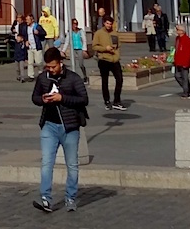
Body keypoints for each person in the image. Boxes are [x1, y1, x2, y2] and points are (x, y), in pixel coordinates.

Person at [32, 46, 88, 213]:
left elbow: (83, 99)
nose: (50, 69)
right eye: (48, 66)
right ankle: (46, 199)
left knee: (72, 164)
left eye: (53, 66)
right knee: (46, 163)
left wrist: (62, 98)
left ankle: (70, 198)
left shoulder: (73, 78)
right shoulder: (43, 78)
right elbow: (34, 97)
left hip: (70, 127)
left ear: (61, 63)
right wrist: (42, 99)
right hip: (49, 125)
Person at [91, 16, 126, 110]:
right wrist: (104, 49)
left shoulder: (115, 33)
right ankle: (107, 101)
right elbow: (94, 46)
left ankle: (117, 100)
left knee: (119, 79)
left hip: (114, 59)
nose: (109, 25)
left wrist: (117, 55)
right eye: (107, 23)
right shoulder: (98, 33)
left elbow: (118, 45)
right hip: (103, 60)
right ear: (104, 23)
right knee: (105, 81)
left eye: (110, 24)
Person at [173, 23, 190, 98]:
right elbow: (176, 49)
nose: (176, 31)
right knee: (177, 76)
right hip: (177, 61)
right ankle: (189, 88)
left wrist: (187, 63)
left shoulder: (187, 40)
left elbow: (189, 52)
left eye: (178, 30)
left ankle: (186, 93)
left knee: (185, 78)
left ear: (182, 31)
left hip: (184, 62)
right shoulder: (177, 39)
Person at [63, 18, 89, 82]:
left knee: (81, 64)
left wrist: (84, 49)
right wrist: (63, 50)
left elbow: (84, 40)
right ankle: (73, 77)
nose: (75, 25)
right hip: (73, 49)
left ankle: (84, 76)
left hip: (79, 48)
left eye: (76, 23)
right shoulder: (70, 32)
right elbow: (67, 42)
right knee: (73, 64)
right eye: (74, 24)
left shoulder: (80, 31)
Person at [24, 14, 47, 81]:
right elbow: (24, 35)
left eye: (28, 20)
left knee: (38, 62)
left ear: (32, 20)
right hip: (30, 47)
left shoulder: (37, 26)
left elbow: (44, 33)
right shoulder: (26, 27)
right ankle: (31, 76)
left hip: (37, 47)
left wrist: (38, 33)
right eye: (26, 20)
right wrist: (26, 41)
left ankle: (41, 73)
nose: (27, 21)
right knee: (30, 62)